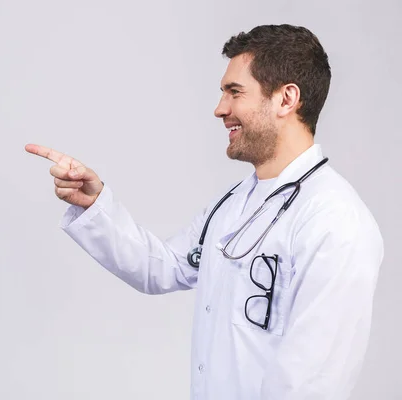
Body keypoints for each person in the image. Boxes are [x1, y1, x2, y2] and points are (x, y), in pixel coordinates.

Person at [25, 24, 383, 400]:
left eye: (234, 92)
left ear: (286, 99)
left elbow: (313, 382)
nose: (220, 109)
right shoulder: (233, 203)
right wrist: (94, 204)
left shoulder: (335, 220)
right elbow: (161, 267)